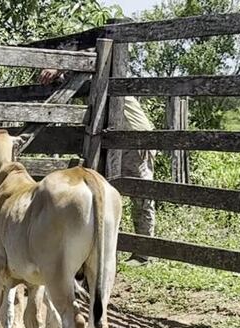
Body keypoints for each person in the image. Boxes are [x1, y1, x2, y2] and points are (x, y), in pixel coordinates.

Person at [41, 68, 157, 265]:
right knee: (109, 190)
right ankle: (109, 250)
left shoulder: (100, 66)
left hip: (135, 136)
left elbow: (87, 58)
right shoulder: (85, 76)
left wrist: (59, 68)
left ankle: (144, 254)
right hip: (113, 136)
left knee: (140, 191)